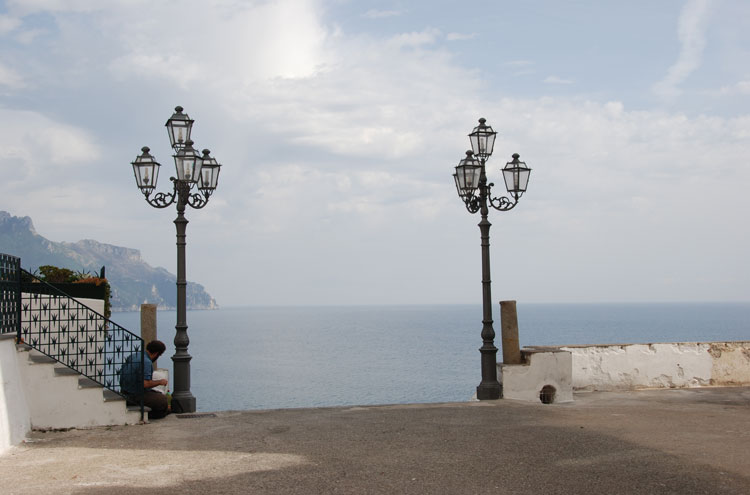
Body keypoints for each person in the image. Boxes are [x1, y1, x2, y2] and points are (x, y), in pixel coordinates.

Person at [120, 340, 169, 419]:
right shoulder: (146, 362)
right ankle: (150, 415)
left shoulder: (135, 355)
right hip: (134, 394)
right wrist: (160, 382)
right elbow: (145, 384)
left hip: (125, 391)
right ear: (156, 353)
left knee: (156, 394)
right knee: (163, 400)